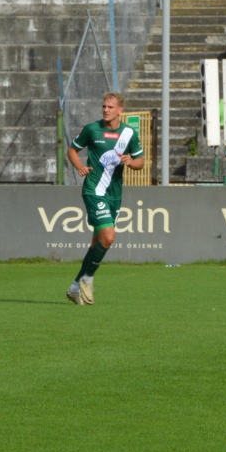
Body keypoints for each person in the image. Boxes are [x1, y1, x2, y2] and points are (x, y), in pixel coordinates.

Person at [65, 92, 144, 306]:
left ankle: (74, 287)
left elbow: (141, 163)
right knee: (108, 237)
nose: (105, 110)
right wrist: (80, 166)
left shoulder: (129, 133)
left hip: (115, 194)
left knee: (97, 242)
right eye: (103, 106)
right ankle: (88, 279)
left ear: (120, 110)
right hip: (94, 190)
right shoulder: (92, 129)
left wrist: (130, 161)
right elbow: (72, 150)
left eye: (110, 107)